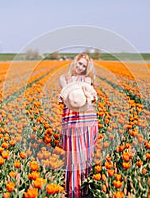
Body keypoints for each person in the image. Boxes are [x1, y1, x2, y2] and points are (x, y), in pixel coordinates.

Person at [59, 53, 98, 198]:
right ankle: (72, 191)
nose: (80, 67)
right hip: (70, 120)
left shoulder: (87, 80)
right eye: (79, 63)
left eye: (84, 65)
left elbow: (92, 96)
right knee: (72, 156)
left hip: (87, 119)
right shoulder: (64, 79)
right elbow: (64, 95)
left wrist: (92, 96)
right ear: (74, 62)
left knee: (85, 156)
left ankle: (85, 190)